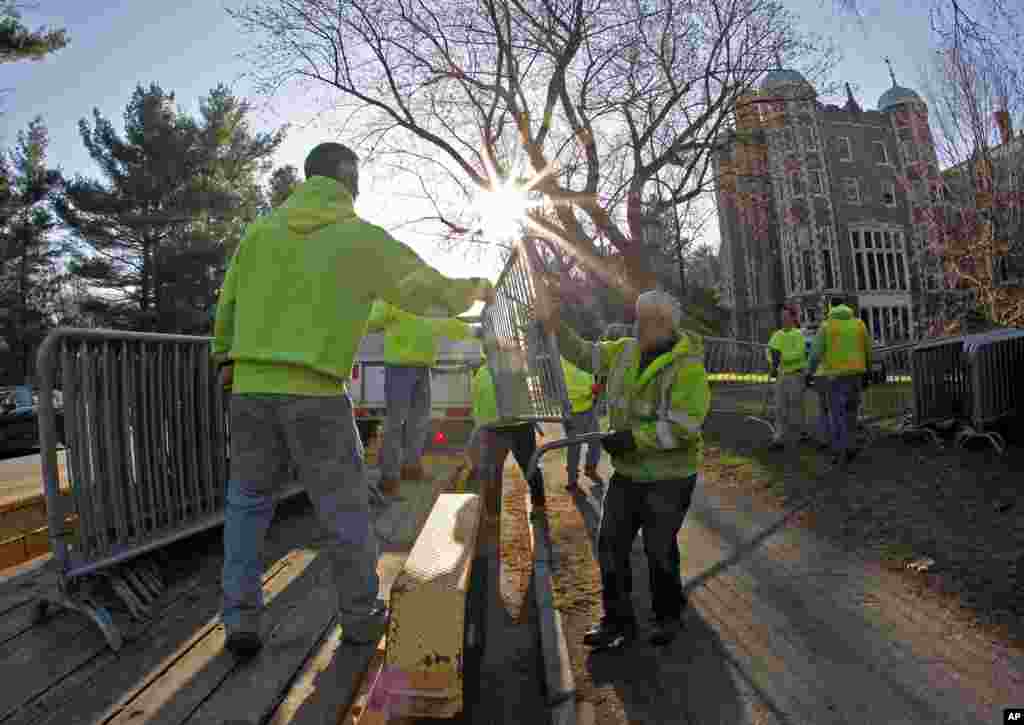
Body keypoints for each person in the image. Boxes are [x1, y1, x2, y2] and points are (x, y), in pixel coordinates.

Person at [212, 142, 493, 658]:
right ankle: (361, 619)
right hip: (315, 391)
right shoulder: (358, 237)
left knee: (247, 506)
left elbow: (228, 302)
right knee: (343, 509)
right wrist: (476, 288)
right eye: (358, 175)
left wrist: (226, 359)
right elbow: (422, 290)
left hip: (250, 388)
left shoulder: (259, 232)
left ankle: (240, 620)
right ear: (346, 174)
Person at [541, 289, 710, 648]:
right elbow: (586, 355)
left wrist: (633, 439)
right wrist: (558, 327)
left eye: (648, 320)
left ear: (666, 325)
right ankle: (616, 621)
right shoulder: (624, 351)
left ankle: (668, 616)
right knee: (610, 544)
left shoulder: (687, 367)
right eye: (638, 317)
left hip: (670, 477)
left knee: (659, 548)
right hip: (629, 473)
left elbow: (683, 426)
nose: (640, 325)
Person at [365, 300, 475, 497]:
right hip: (398, 366)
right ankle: (388, 478)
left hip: (422, 367)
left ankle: (411, 468)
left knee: (419, 421)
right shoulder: (394, 296)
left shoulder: (428, 302)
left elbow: (447, 323)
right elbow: (373, 319)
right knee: (395, 422)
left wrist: (472, 331)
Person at [467, 349, 547, 510]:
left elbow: (476, 405)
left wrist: (480, 427)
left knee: (493, 471)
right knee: (529, 465)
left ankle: (492, 511)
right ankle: (539, 504)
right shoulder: (516, 370)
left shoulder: (480, 375)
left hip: (493, 428)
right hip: (520, 425)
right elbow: (528, 397)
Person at [805, 297, 872, 466]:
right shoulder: (859, 324)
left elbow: (815, 354)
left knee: (837, 415)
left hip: (835, 377)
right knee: (851, 414)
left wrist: (809, 373)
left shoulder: (826, 326)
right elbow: (868, 350)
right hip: (856, 375)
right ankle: (850, 446)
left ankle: (839, 451)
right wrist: (868, 371)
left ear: (830, 308)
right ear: (846, 307)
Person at [766, 304, 809, 451]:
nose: (783, 319)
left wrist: (780, 357)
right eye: (782, 317)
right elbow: (770, 352)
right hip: (781, 375)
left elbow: (799, 353)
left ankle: (801, 433)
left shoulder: (798, 334)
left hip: (796, 375)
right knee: (779, 408)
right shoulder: (776, 335)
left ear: (792, 318)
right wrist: (773, 363)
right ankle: (779, 437)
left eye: (786, 316)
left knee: (796, 406)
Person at [560, 356, 604, 492]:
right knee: (574, 447)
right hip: (572, 414)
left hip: (589, 408)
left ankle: (590, 468)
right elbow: (567, 390)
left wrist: (594, 391)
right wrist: (591, 390)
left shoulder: (583, 358)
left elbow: (590, 378)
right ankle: (572, 480)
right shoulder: (562, 364)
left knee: (596, 442)